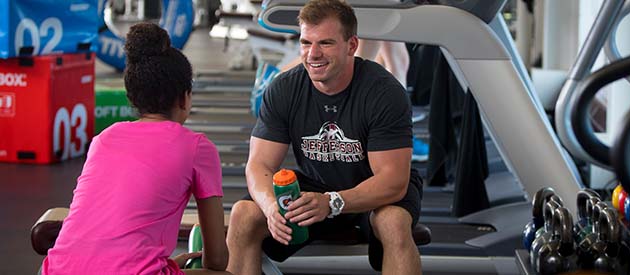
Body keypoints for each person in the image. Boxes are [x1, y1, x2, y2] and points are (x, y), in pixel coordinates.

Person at [226, 0, 423, 274]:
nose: (313, 54)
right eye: (306, 43)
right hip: (315, 186)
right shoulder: (284, 88)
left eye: (326, 43)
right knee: (243, 215)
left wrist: (332, 202)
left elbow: (393, 182)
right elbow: (259, 165)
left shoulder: (384, 92)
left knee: (393, 223)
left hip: (374, 188)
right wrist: (270, 206)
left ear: (352, 45)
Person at [41, 23, 231, 275]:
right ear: (184, 98)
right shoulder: (197, 147)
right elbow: (216, 259)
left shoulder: (103, 139)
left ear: (133, 97)